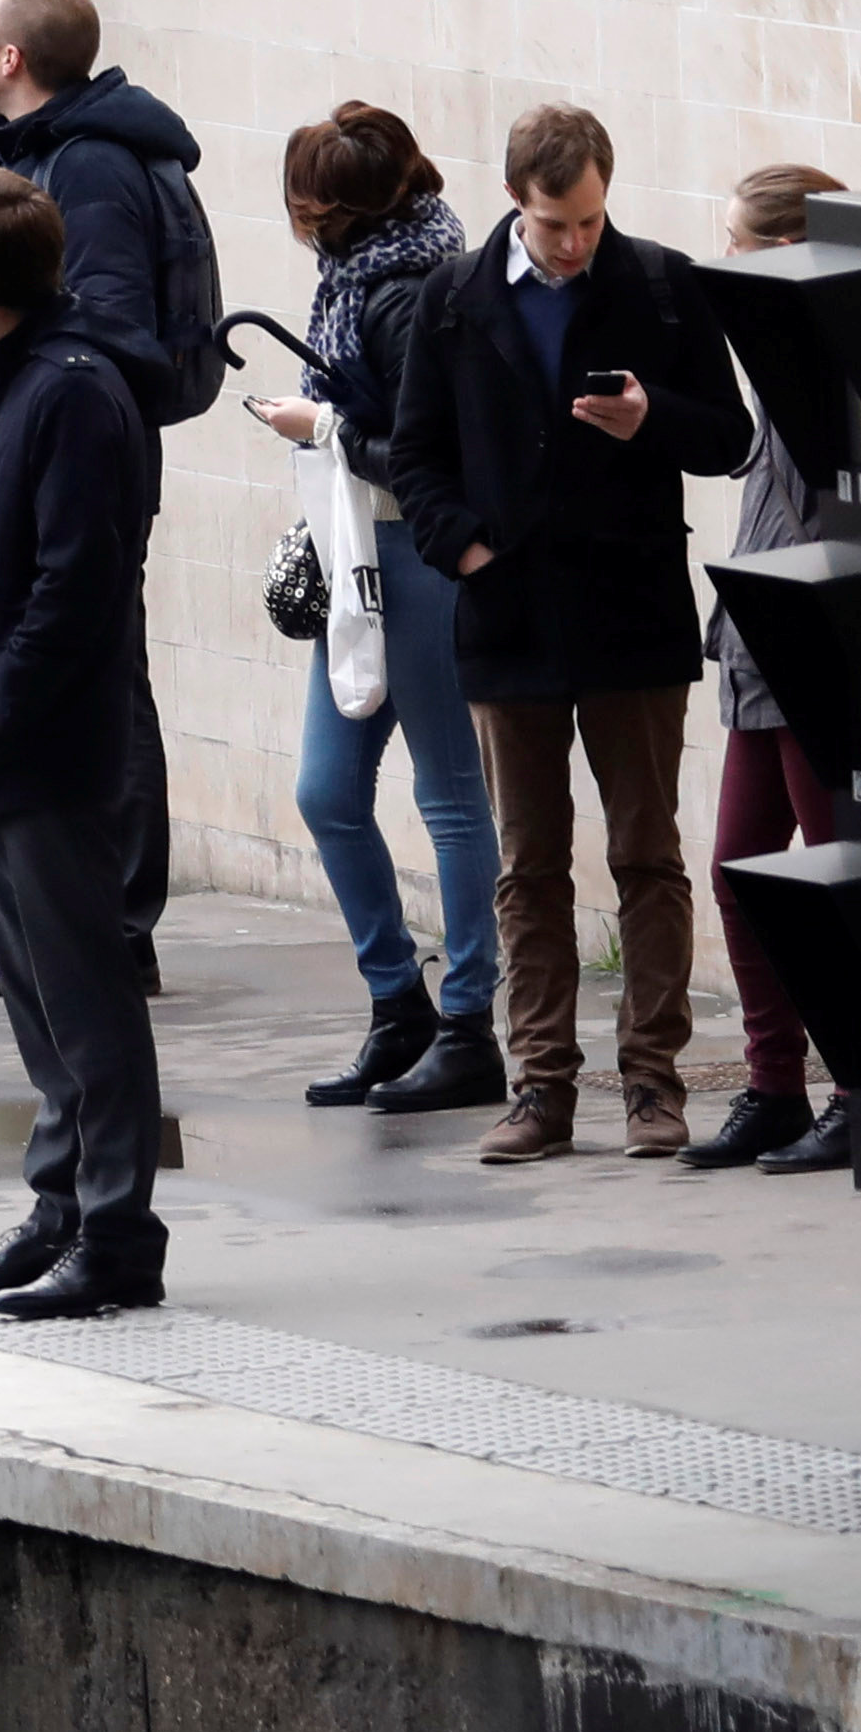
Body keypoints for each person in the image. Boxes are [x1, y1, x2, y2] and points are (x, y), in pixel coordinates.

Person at [378, 102, 761, 1162]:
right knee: (528, 863)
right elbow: (413, 454)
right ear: (516, 202)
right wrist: (463, 550)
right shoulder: (451, 298)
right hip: (507, 616)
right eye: (557, 225)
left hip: (631, 608)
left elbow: (730, 437)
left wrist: (657, 421)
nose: (577, 242)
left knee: (648, 853)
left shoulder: (661, 283)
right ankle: (541, 1087)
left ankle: (653, 1081)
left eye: (592, 219)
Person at [0, 170, 170, 1316]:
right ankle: (62, 1205)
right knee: (36, 992)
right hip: (5, 739)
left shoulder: (71, 391)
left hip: (48, 742)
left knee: (84, 991)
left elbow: (77, 583)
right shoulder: (25, 380)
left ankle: (115, 1230)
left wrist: (2, 702)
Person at [0, 0, 204, 985]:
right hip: (39, 452)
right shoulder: (57, 152)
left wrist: (17, 429)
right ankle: (73, 921)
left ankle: (111, 926)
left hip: (70, 461)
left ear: (14, 60)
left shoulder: (87, 166)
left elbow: (97, 318)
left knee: (102, 680)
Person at [244, 103, 498, 1112]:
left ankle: (469, 1021)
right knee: (326, 790)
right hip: (366, 549)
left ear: (328, 209)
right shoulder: (372, 273)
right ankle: (401, 1005)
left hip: (414, 552)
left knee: (446, 790)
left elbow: (434, 458)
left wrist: (319, 428)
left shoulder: (405, 293)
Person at [702, 162, 861, 1170]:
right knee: (737, 869)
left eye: (741, 249)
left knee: (822, 872)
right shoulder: (786, 352)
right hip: (760, 644)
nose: (725, 267)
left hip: (818, 645)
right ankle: (775, 1087)